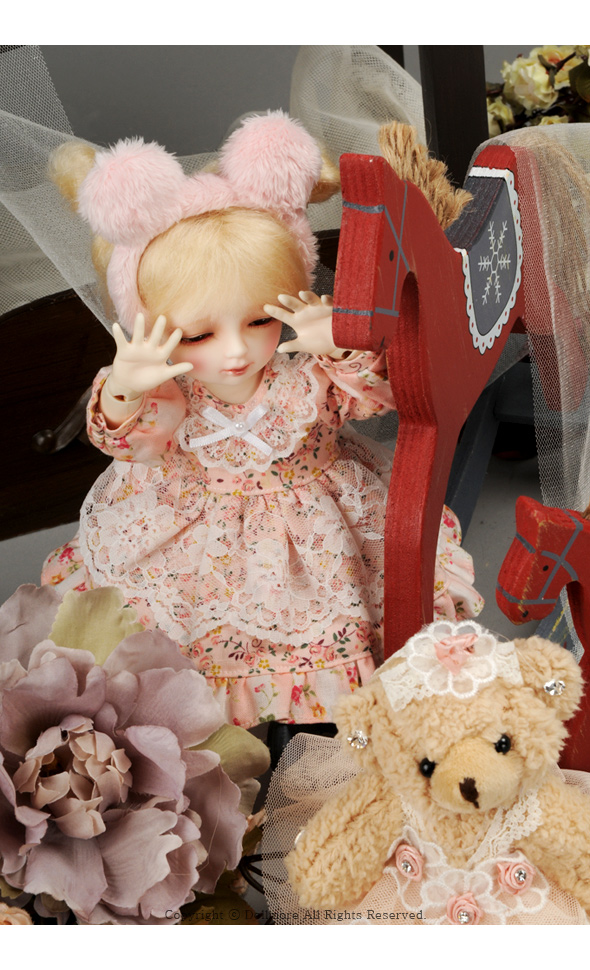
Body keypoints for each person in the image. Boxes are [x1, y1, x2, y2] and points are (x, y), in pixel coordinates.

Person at [42, 112, 483, 727]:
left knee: (344, 619)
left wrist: (342, 347)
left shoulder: (308, 379)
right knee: (189, 633)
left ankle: (330, 728)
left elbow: (385, 399)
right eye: (198, 334)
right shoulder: (171, 391)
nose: (235, 351)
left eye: (260, 320)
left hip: (318, 534)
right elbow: (122, 440)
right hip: (192, 533)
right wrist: (122, 388)